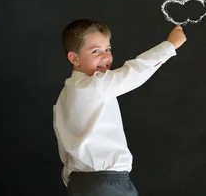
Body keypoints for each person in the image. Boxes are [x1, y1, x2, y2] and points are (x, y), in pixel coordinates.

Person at [53, 18, 186, 196]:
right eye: (95, 51)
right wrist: (170, 46)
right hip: (106, 183)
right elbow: (133, 72)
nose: (106, 57)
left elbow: (65, 147)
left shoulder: (64, 96)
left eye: (108, 49)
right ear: (74, 58)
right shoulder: (95, 85)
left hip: (80, 183)